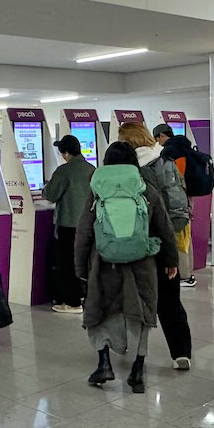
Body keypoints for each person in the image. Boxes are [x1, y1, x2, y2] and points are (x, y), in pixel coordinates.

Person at [75, 142, 178, 393]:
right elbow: (164, 227)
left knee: (101, 311)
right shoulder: (145, 189)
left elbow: (83, 233)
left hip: (103, 264)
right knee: (141, 313)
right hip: (141, 264)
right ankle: (137, 372)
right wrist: (171, 261)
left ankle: (104, 364)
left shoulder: (97, 190)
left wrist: (81, 269)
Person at [119, 123, 192, 369]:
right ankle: (181, 353)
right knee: (170, 301)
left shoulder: (133, 170)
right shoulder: (165, 160)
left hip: (140, 244)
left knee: (136, 300)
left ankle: (136, 354)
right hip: (167, 239)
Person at [43, 134, 95, 314]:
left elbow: (51, 195)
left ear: (66, 153)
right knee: (86, 262)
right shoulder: (92, 169)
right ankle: (86, 298)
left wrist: (45, 188)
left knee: (68, 264)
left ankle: (72, 303)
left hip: (69, 224)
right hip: (90, 224)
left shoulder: (64, 171)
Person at [156, 125, 198, 289]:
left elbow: (170, 182)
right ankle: (189, 273)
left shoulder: (169, 153)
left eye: (157, 138)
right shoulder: (185, 148)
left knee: (178, 241)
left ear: (161, 136)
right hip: (186, 200)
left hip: (176, 203)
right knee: (186, 239)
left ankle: (184, 276)